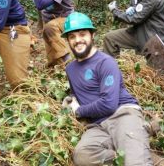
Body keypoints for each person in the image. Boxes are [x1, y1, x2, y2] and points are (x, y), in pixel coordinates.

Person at [61, 12, 153, 166]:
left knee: (136, 163)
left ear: (92, 35)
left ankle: (135, 149)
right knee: (82, 156)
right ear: (68, 41)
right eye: (72, 37)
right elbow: (80, 95)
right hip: (97, 125)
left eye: (82, 34)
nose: (77, 40)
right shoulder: (70, 69)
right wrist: (70, 101)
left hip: (121, 114)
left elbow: (108, 104)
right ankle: (132, 147)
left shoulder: (106, 62)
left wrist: (79, 111)